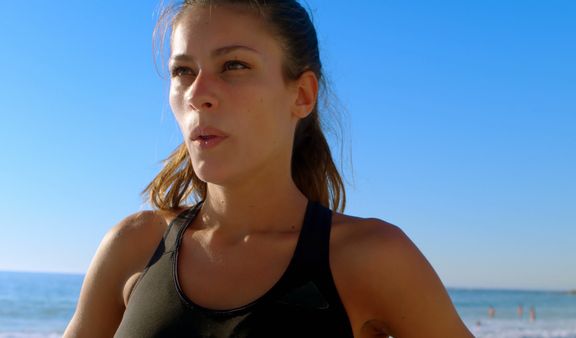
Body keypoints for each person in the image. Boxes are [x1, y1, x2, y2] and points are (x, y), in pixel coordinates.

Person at [63, 1, 473, 337]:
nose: (197, 94)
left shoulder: (369, 257)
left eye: (234, 66)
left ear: (301, 94)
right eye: (182, 71)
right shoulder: (133, 248)